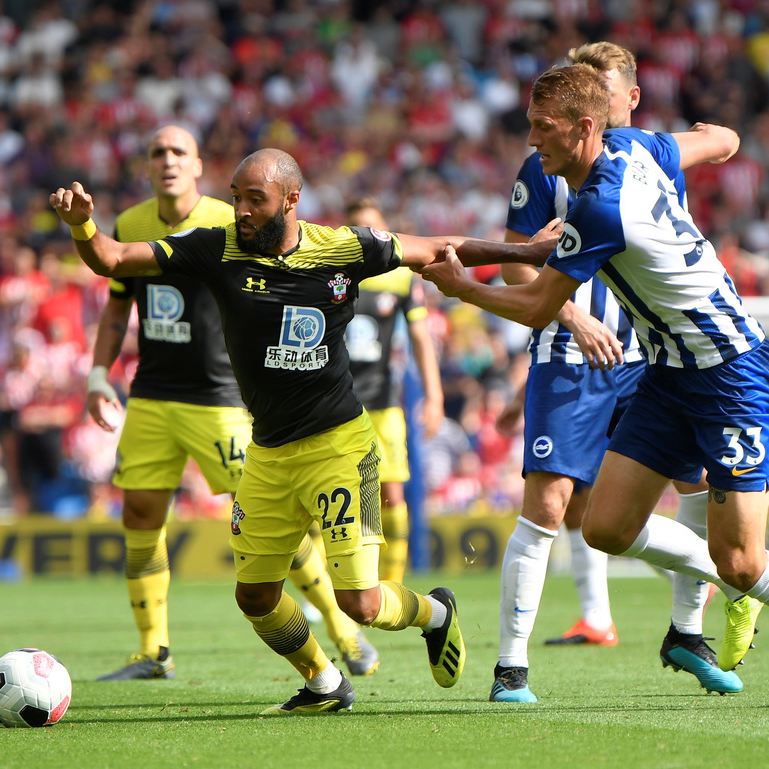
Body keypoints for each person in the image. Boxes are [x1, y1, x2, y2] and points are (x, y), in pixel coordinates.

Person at [424, 64, 769, 708]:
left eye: (543, 128)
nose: (532, 140)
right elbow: (710, 144)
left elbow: (536, 305)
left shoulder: (601, 206)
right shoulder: (638, 146)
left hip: (731, 375)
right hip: (669, 373)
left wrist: (461, 287)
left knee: (742, 563)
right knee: (606, 528)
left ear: (584, 127)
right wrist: (720, 137)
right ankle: (707, 592)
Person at [52, 147, 554, 714]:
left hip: (343, 448)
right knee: (255, 597)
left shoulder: (344, 247)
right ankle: (324, 681)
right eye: (236, 197)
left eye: (254, 199)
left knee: (362, 605)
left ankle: (436, 613)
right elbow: (114, 258)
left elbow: (441, 248)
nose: (241, 210)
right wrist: (82, 225)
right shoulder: (216, 247)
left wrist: (526, 251)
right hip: (268, 453)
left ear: (291, 200)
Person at [490, 42, 741, 703]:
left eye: (602, 86)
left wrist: (720, 137)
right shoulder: (545, 163)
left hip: (649, 355)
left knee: (695, 481)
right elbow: (516, 262)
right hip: (571, 352)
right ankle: (510, 669)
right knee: (550, 504)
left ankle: (688, 630)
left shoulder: (653, 154)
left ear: (627, 98)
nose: (593, 96)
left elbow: (721, 144)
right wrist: (572, 315)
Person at [86, 126, 373, 682]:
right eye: (156, 152)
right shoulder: (130, 225)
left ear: (198, 166)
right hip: (152, 392)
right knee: (139, 513)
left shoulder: (232, 220)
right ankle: (153, 651)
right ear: (146, 167)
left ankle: (346, 633)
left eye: (179, 152)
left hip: (220, 397)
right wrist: (99, 374)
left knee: (274, 523)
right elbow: (118, 303)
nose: (167, 160)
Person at [344, 198, 444, 584]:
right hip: (332, 403)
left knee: (391, 495)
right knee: (330, 493)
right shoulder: (329, 272)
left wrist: (434, 396)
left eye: (372, 229)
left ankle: (392, 585)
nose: (365, 237)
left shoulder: (400, 277)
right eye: (357, 229)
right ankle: (329, 589)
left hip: (383, 402)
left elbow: (421, 338)